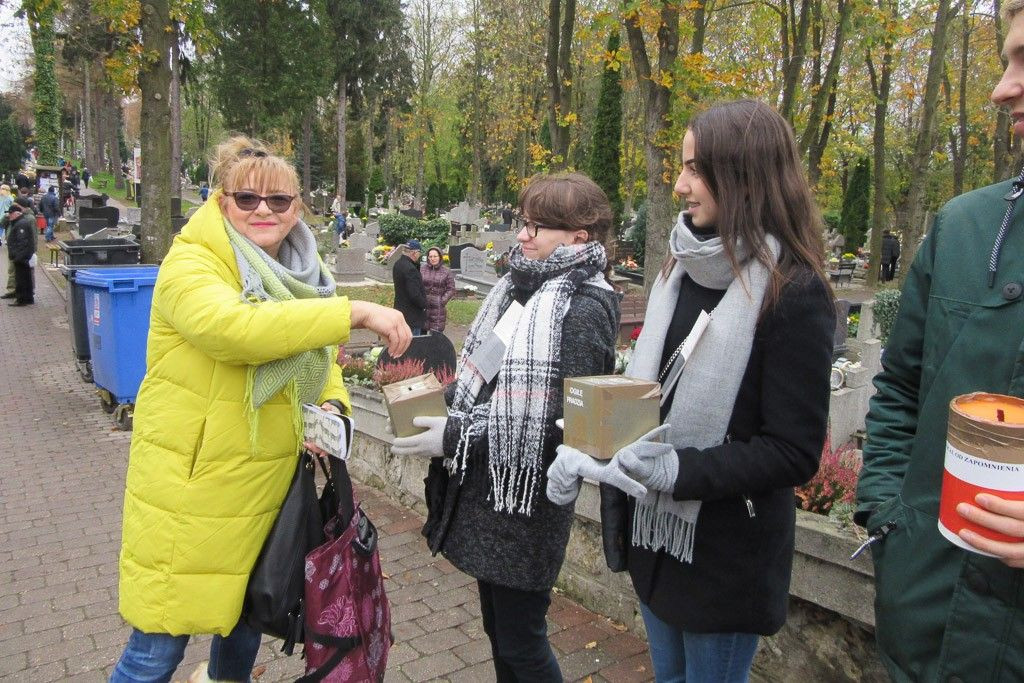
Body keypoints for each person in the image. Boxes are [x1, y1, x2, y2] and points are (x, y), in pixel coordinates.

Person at [547, 100, 835, 682]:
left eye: (696, 169)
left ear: (745, 174)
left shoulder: (794, 293)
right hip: (658, 541)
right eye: (682, 168)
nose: (679, 184)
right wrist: (590, 445)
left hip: (725, 558)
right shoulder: (677, 270)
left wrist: (676, 472)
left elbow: (793, 451)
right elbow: (650, 396)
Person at [109, 135, 411, 683]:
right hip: (194, 493)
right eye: (246, 199)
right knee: (156, 650)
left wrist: (331, 408)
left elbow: (319, 359)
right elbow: (238, 331)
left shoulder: (301, 272)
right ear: (221, 201)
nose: (263, 211)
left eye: (279, 201)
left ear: (299, 208)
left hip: (268, 490)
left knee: (244, 631)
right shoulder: (192, 265)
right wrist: (354, 311)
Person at [390, 172, 621, 682]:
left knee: (522, 642)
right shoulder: (519, 290)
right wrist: (435, 400)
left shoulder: (584, 306)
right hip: (487, 485)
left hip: (526, 497)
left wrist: (453, 436)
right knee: (501, 631)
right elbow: (485, 370)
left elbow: (562, 422)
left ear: (579, 236)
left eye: (537, 227)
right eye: (523, 223)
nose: (522, 236)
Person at [855, 3, 1024, 679]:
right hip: (923, 624)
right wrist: (891, 519)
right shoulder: (964, 228)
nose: (1002, 86)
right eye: (1008, 58)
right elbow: (900, 386)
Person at [5, 197, 38, 306]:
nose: (9, 215)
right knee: (25, 278)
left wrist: (18, 256)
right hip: (22, 256)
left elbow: (23, 242)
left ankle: (21, 299)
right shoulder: (19, 222)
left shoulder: (21, 224)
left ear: (17, 213)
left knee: (21, 279)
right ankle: (27, 298)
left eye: (11, 213)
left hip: (21, 257)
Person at [392, 238, 428, 335]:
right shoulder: (411, 269)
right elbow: (414, 294)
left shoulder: (398, 264)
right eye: (419, 252)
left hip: (400, 311)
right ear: (414, 253)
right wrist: (424, 305)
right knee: (412, 346)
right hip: (412, 316)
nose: (419, 255)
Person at [420, 246, 456, 332]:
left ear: (440, 257)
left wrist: (442, 300)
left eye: (435, 256)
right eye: (430, 256)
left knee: (436, 335)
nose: (433, 259)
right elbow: (418, 284)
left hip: (438, 308)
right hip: (423, 306)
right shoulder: (422, 269)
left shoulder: (446, 271)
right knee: (422, 334)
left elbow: (451, 288)